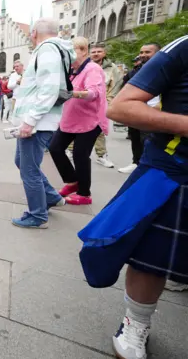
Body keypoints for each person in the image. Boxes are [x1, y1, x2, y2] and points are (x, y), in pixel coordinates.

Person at [78, 35, 188, 359]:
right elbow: (120, 106)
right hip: (175, 170)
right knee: (152, 258)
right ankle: (136, 323)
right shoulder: (182, 48)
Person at [11, 18, 73, 229]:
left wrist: (29, 121)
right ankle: (52, 197)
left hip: (37, 122)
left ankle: (37, 215)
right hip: (40, 121)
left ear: (34, 32)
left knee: (29, 169)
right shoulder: (54, 49)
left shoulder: (47, 50)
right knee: (22, 161)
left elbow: (49, 88)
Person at [48, 37, 108, 206]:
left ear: (84, 51)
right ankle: (73, 181)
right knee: (55, 148)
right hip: (71, 118)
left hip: (90, 120)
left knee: (80, 155)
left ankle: (84, 193)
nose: (69, 56)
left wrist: (71, 93)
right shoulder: (72, 69)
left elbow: (93, 93)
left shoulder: (92, 69)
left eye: (73, 51)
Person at [118, 44, 161, 174]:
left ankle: (149, 167)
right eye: (141, 52)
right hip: (136, 109)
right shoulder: (137, 70)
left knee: (148, 140)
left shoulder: (166, 69)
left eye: (147, 52)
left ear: (158, 53)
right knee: (135, 138)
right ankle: (136, 163)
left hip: (155, 110)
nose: (143, 55)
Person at [89, 43, 122, 169]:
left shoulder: (112, 68)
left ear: (104, 53)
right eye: (93, 51)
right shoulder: (84, 66)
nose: (96, 53)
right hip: (84, 103)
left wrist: (108, 102)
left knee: (99, 129)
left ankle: (101, 155)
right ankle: (70, 150)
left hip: (101, 104)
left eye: (99, 51)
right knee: (77, 128)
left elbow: (115, 86)